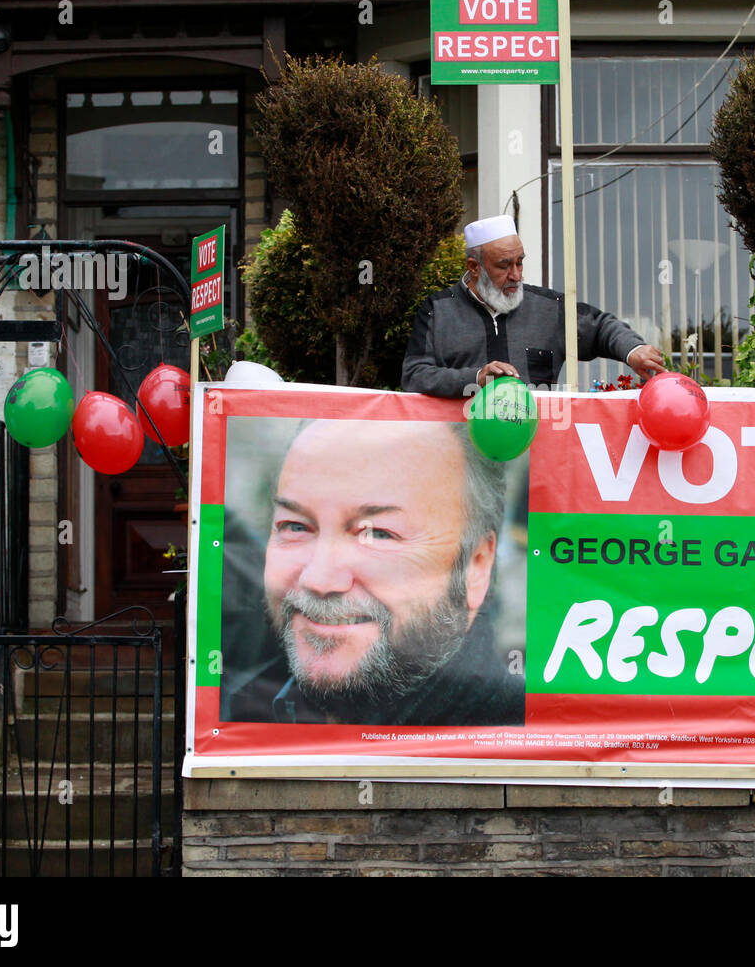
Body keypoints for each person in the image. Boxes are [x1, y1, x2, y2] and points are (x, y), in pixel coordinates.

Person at [225, 417, 525, 726]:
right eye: (295, 526)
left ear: (476, 564)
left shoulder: (516, 750)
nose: (318, 579)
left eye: (377, 534)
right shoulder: (243, 714)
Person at [402, 214, 667, 397]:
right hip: (461, 455)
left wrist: (634, 350)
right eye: (504, 265)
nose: (516, 275)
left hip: (539, 454)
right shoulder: (438, 310)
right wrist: (476, 378)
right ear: (474, 267)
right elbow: (414, 376)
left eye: (520, 262)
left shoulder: (549, 308)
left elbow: (601, 328)